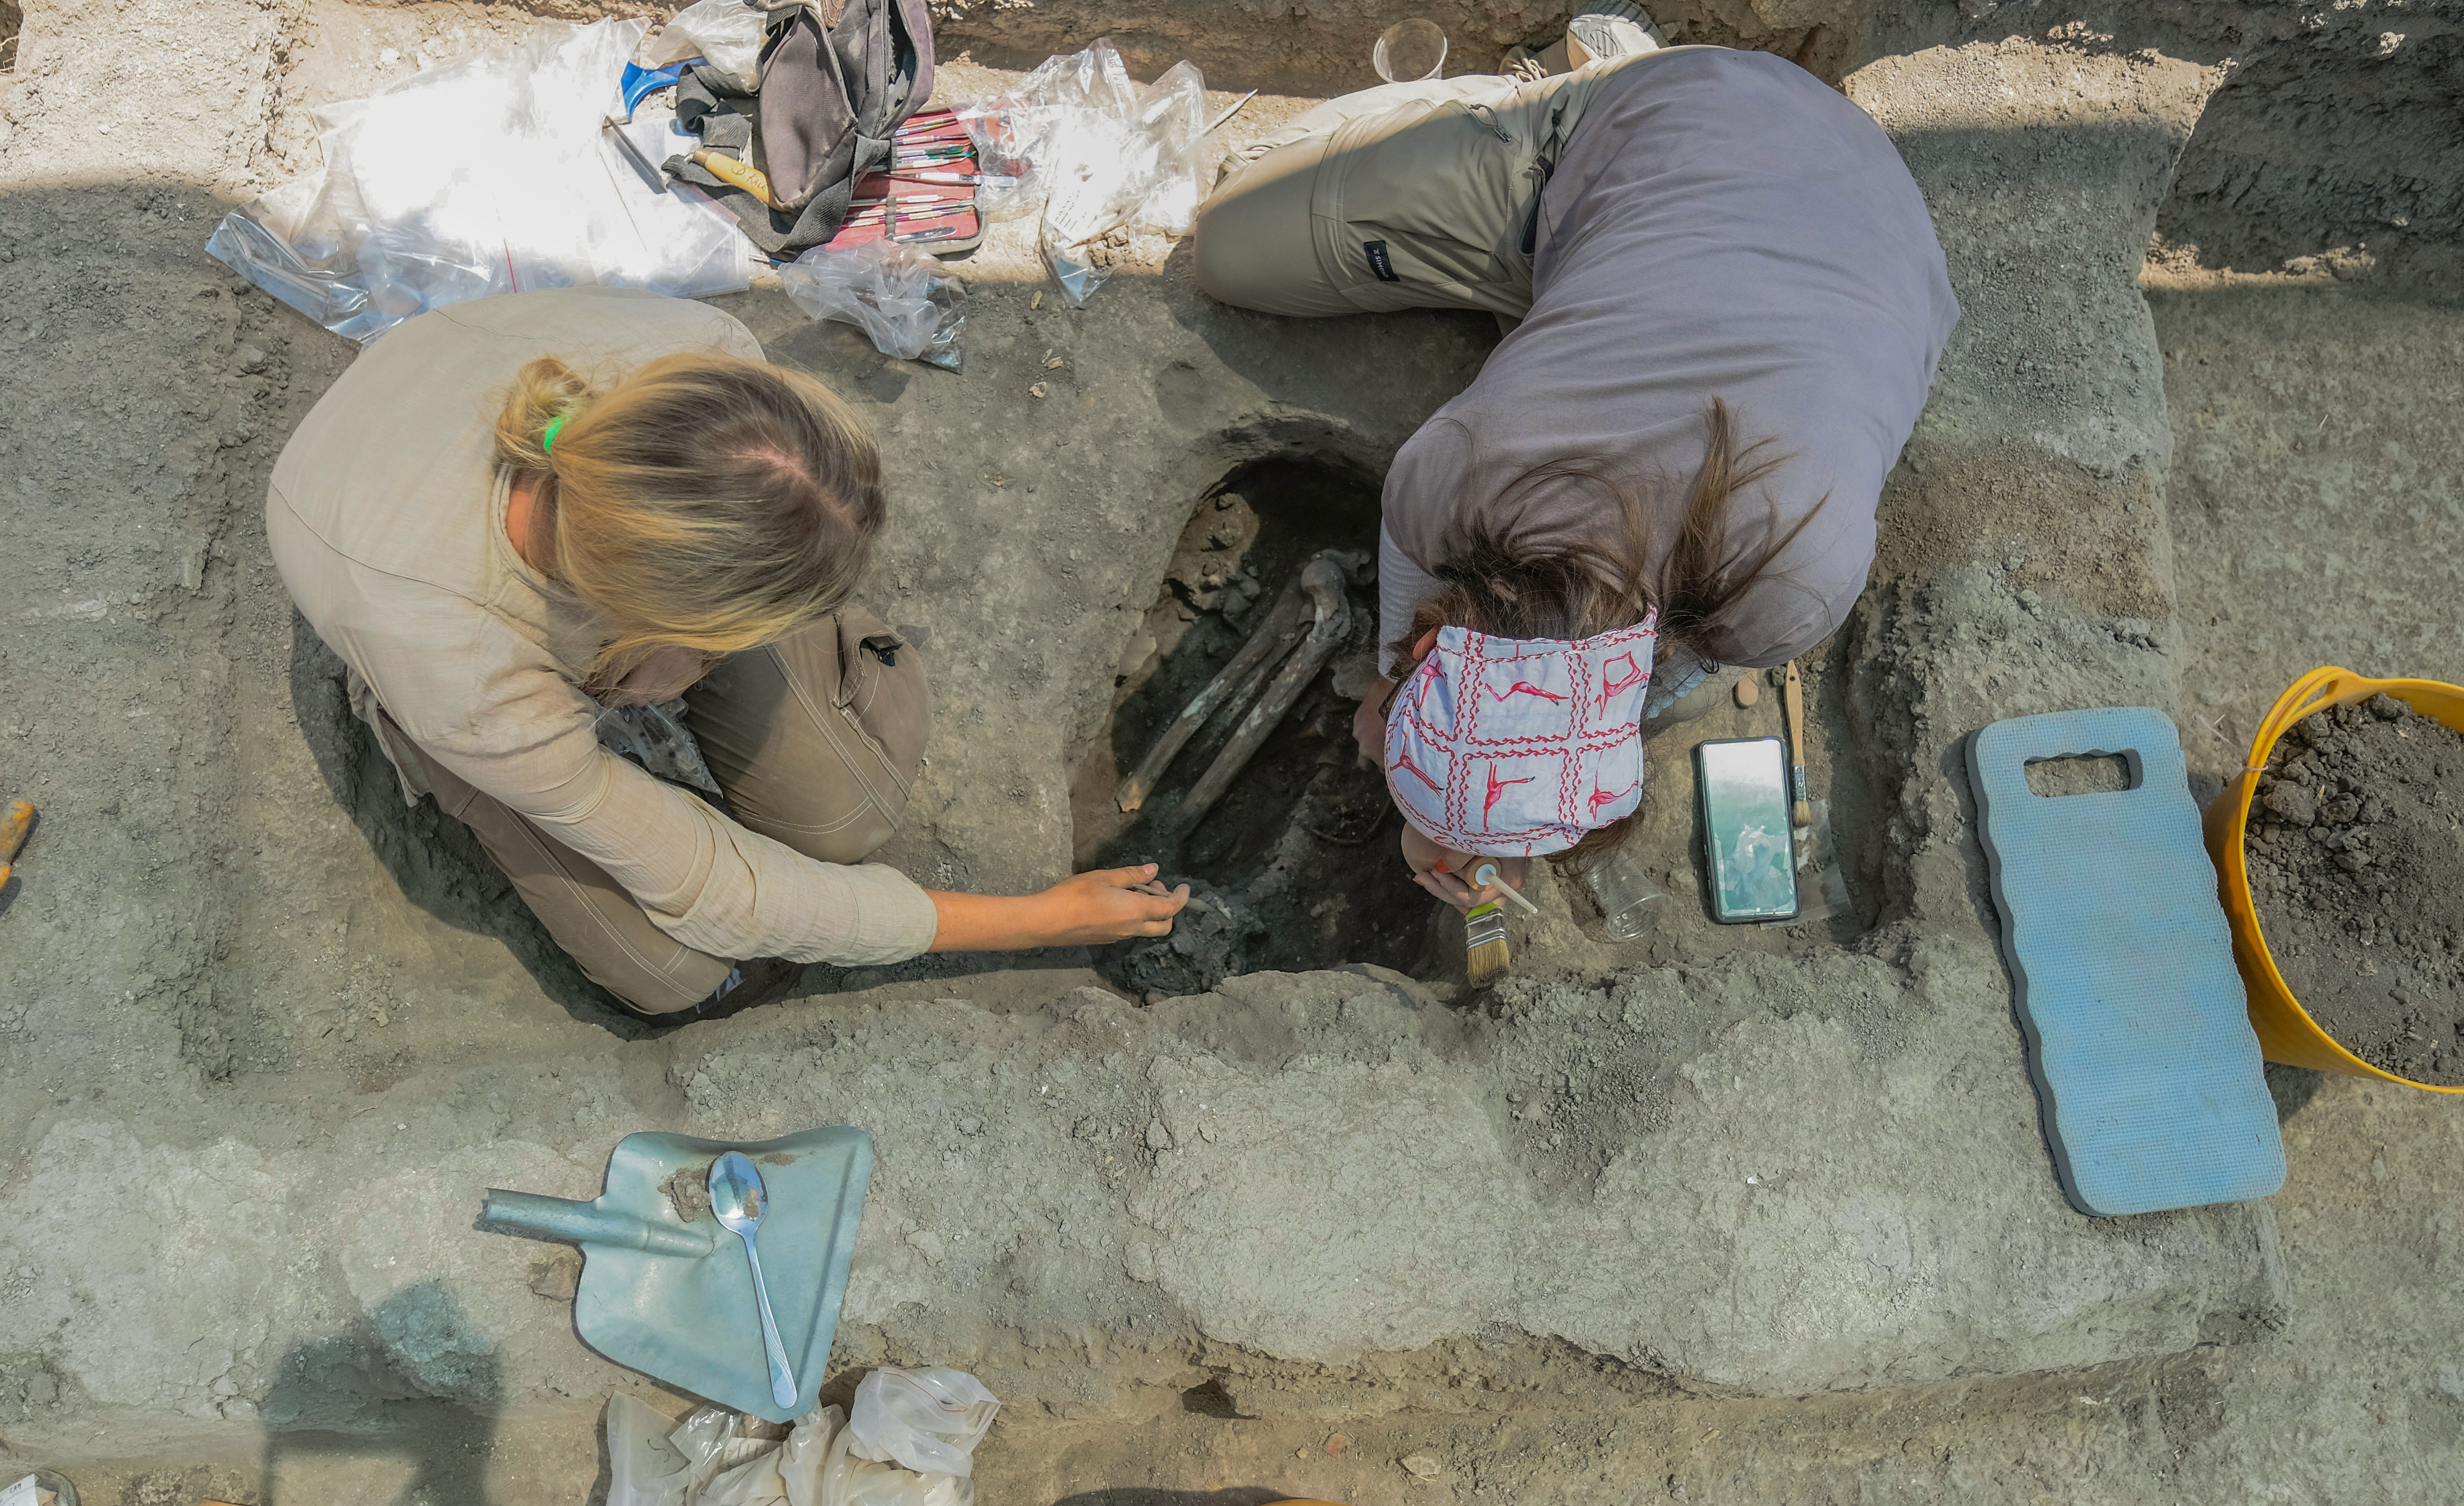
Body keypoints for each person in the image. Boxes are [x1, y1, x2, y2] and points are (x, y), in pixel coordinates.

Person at [1191, 12, 1956, 907]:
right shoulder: (1466, 476)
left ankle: (1569, 261)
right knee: (1227, 248)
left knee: (1695, 691)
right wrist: (1399, 702)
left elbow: (1647, 682)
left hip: (1865, 222)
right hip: (1681, 128)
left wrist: (1469, 807)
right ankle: (1570, 96)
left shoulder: (1793, 595)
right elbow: (1414, 580)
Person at [269, 288, 1186, 1017]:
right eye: (714, 646)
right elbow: (718, 890)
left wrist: (691, 651)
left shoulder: (709, 360)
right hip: (433, 652)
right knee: (680, 972)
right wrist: (1033, 921)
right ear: (650, 628)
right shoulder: (464, 669)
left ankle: (767, 599)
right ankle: (466, 766)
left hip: (603, 548)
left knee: (846, 820)